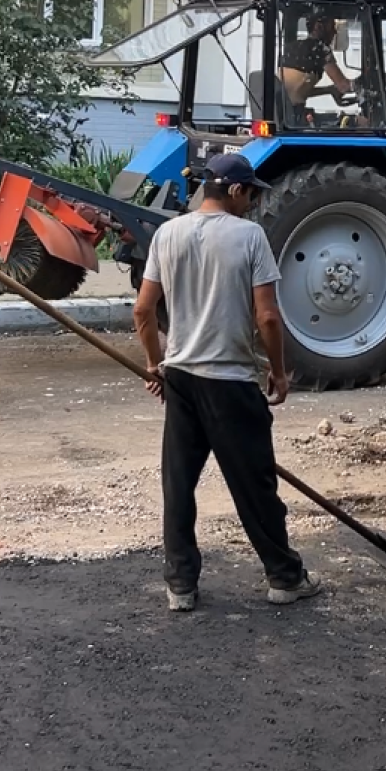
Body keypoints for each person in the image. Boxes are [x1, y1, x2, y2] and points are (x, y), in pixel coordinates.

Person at [132, 153, 320, 612]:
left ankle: (180, 587)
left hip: (182, 381)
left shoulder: (167, 233)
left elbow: (142, 311)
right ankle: (284, 578)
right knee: (255, 488)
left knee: (178, 488)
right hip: (231, 382)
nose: (253, 203)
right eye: (251, 193)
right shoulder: (249, 237)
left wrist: (157, 365)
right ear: (235, 191)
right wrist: (277, 371)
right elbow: (268, 317)